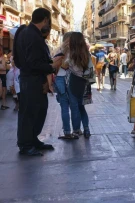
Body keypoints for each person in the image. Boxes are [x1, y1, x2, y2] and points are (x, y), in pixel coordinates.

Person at [14, 8, 64, 156]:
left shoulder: (25, 32)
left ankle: (31, 140)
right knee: (30, 112)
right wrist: (51, 66)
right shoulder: (33, 36)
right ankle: (25, 145)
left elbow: (23, 60)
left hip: (30, 79)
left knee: (37, 111)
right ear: (45, 20)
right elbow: (33, 63)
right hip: (32, 81)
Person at [66, 32, 94, 139]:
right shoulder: (86, 53)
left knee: (74, 108)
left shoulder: (70, 54)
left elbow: (66, 66)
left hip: (74, 82)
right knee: (82, 107)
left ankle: (76, 130)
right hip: (85, 83)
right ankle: (86, 129)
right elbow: (90, 69)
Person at [54, 32, 77, 139]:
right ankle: (73, 131)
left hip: (60, 79)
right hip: (67, 79)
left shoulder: (59, 50)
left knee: (65, 107)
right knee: (72, 106)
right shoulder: (69, 51)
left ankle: (68, 131)